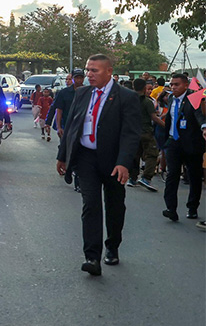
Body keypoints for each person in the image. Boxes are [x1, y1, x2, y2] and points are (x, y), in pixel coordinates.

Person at [56, 54, 141, 276]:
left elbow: (131, 134)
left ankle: (112, 246)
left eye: (95, 70)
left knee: (114, 206)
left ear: (109, 71)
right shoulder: (82, 93)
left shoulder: (126, 97)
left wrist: (124, 163)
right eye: (87, 70)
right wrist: (62, 154)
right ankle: (92, 256)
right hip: (86, 159)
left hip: (113, 161)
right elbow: (72, 124)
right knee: (90, 205)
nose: (89, 75)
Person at [160, 73, 206, 222]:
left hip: (192, 145)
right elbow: (170, 119)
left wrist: (204, 127)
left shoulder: (194, 98)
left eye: (177, 84)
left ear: (186, 85)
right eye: (172, 84)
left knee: (194, 177)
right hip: (174, 143)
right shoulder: (171, 98)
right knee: (172, 175)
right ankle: (170, 209)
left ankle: (192, 207)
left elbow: (199, 115)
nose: (173, 87)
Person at [126, 78, 163, 192]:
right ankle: (146, 177)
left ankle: (132, 178)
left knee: (135, 155)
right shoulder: (147, 102)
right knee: (152, 154)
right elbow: (154, 117)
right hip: (146, 131)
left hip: (133, 132)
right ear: (144, 88)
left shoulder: (129, 100)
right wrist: (166, 125)